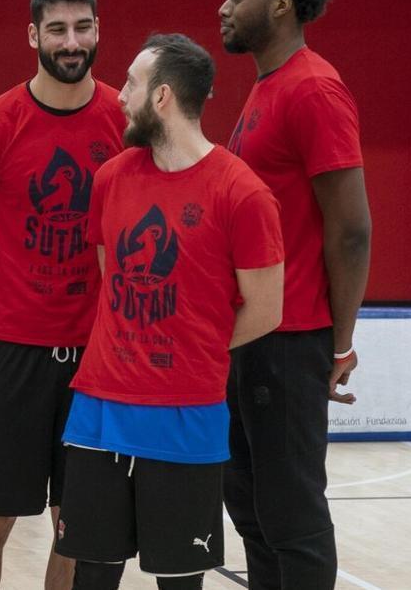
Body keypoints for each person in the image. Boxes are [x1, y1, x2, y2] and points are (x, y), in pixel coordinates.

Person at [54, 33, 284, 589]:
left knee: (179, 579)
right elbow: (115, 279)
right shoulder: (111, 179)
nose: (118, 96)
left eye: (131, 84)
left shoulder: (243, 193)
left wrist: (192, 345)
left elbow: (267, 309)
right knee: (91, 572)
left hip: (188, 417)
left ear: (161, 98)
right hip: (99, 410)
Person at [0, 0, 123, 590]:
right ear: (33, 35)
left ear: (98, 30)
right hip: (11, 356)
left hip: (99, 359)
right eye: (57, 29)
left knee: (76, 527)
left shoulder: (128, 122)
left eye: (82, 27)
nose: (71, 41)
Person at [219, 0, 371, 589]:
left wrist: (337, 342)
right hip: (252, 336)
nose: (222, 7)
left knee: (292, 514)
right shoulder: (265, 88)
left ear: (280, 5)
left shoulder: (314, 90)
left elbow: (352, 230)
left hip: (292, 339)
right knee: (250, 507)